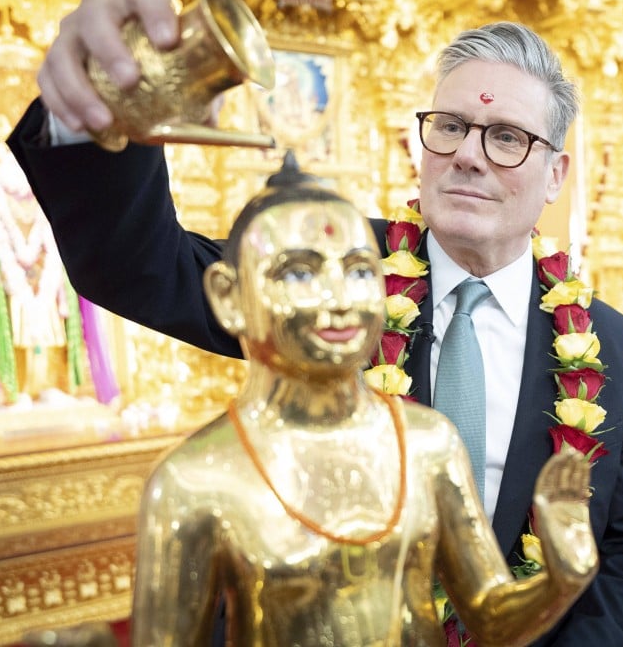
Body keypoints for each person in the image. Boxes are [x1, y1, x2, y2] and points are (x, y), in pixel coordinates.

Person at [7, 0, 623, 644]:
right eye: (451, 126)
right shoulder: (331, 269)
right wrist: (96, 111)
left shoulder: (612, 345)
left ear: (556, 174)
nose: (468, 153)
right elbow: (139, 268)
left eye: (506, 137)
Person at [130, 157, 598, 645]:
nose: (340, 299)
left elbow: (491, 613)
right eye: (298, 274)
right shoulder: (194, 479)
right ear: (229, 297)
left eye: (357, 271)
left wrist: (563, 575)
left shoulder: (427, 442)